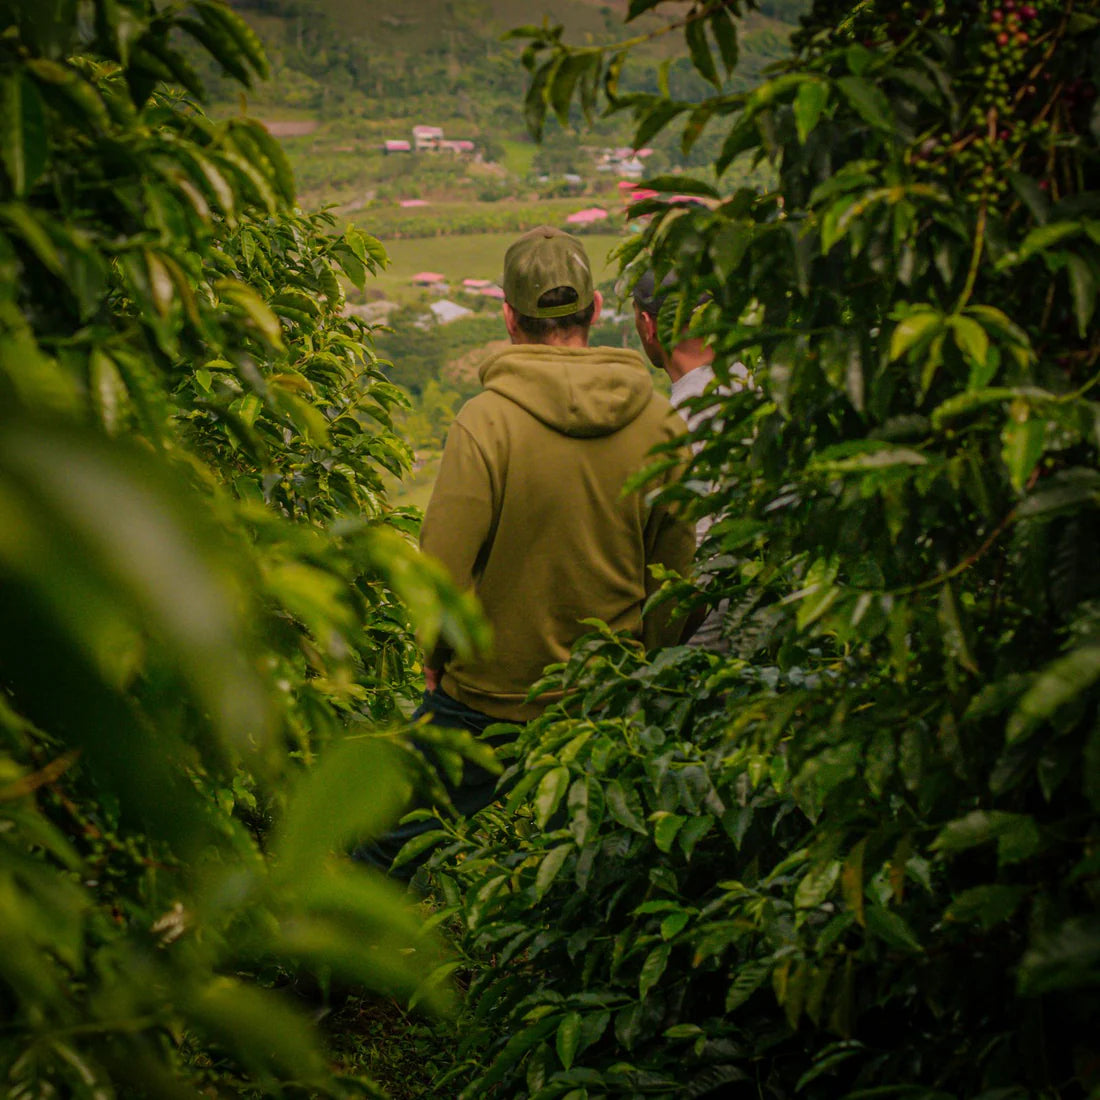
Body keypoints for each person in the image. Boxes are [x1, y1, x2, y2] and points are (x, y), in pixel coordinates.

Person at [360, 228, 695, 876]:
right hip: (608, 699)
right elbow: (674, 579)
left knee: (382, 843)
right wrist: (643, 676)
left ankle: (328, 965)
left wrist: (437, 662)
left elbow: (441, 574)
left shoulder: (485, 423)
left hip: (488, 695)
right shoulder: (662, 424)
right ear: (597, 310)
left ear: (509, 316)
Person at [632, 269, 749, 651]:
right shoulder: (751, 385)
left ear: (648, 325)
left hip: (709, 649)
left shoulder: (682, 420)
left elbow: (690, 557)